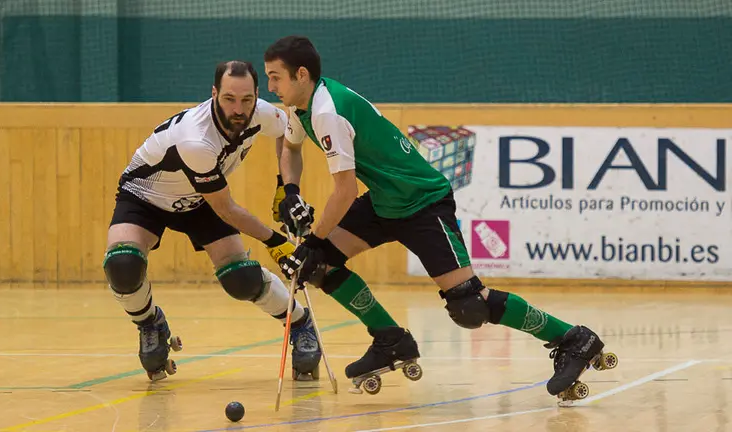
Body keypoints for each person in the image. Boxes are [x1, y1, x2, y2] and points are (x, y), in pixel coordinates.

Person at [264, 36, 617, 399]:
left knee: (470, 305)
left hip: (422, 202)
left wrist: (313, 241)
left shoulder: (327, 112)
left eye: (276, 78)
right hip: (386, 202)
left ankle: (574, 339)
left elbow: (344, 191)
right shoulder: (302, 106)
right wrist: (291, 191)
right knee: (318, 267)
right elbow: (290, 149)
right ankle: (390, 340)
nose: (271, 87)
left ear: (301, 74)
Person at [103, 60, 321, 382]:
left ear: (257, 95)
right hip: (145, 196)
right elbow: (227, 209)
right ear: (214, 93)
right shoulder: (196, 141)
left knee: (240, 278)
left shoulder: (261, 113)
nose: (238, 109)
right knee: (122, 264)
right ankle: (151, 323)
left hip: (199, 200)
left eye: (247, 100)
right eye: (229, 99)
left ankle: (301, 324)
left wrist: (283, 186)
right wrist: (275, 242)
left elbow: (285, 132)